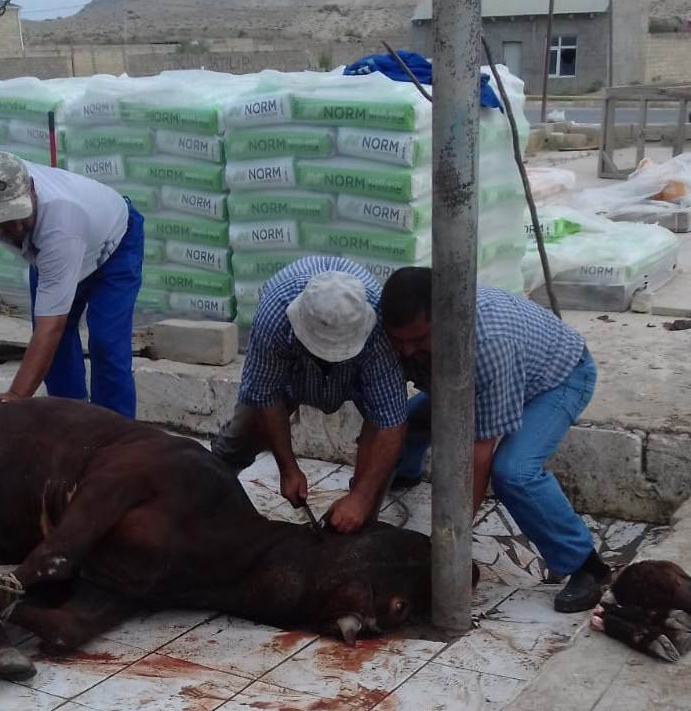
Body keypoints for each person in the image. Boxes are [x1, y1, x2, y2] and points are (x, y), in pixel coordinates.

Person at [380, 267, 610, 613]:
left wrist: (451, 540)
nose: (408, 351)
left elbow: (477, 458)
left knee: (513, 471)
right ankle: (408, 472)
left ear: (446, 319)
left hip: (555, 379)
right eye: (399, 341)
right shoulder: (398, 336)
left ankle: (586, 565)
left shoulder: (488, 344)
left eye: (419, 340)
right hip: (473, 379)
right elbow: (380, 412)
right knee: (403, 422)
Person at [212, 255, 408, 534]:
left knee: (377, 454)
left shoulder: (376, 325)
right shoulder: (275, 315)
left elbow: (390, 423)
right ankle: (210, 498)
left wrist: (361, 499)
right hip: (293, 371)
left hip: (357, 372)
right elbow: (266, 397)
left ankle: (359, 525)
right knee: (240, 435)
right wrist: (288, 469)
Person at [0, 151, 143, 418]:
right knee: (58, 348)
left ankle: (113, 432)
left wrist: (15, 397)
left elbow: (49, 328)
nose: (15, 228)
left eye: (20, 214)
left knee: (106, 343)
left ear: (32, 190)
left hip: (113, 246)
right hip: (51, 252)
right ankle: (68, 421)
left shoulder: (60, 227)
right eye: (3, 220)